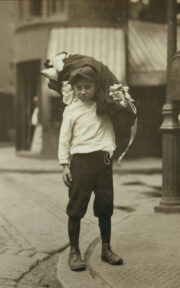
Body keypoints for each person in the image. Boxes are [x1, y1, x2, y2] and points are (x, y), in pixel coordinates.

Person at [58, 66, 124, 271]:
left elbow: (122, 107)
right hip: (81, 161)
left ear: (97, 87)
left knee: (105, 206)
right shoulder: (71, 110)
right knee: (76, 208)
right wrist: (65, 165)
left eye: (88, 87)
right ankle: (74, 252)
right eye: (79, 87)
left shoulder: (104, 106)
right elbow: (64, 139)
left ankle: (106, 248)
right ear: (74, 89)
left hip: (103, 161)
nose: (83, 91)